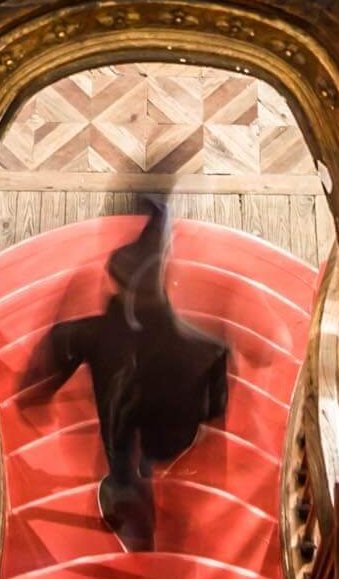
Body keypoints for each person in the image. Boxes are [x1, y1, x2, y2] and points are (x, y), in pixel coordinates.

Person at [19, 197, 229, 553]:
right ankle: (140, 486)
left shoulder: (98, 335)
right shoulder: (207, 349)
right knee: (145, 456)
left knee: (125, 467)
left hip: (125, 434)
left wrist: (34, 395)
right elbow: (214, 406)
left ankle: (131, 509)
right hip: (173, 437)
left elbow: (57, 350)